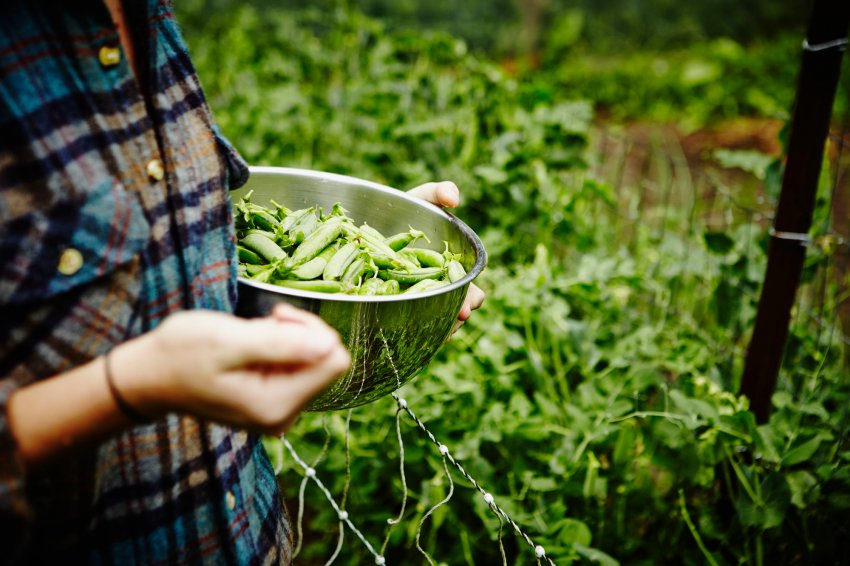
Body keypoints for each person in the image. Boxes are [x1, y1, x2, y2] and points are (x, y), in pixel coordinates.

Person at [0, 0, 485, 563]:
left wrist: (381, 280)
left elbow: (170, 272)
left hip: (250, 537)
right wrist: (130, 386)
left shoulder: (148, 18)